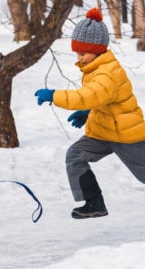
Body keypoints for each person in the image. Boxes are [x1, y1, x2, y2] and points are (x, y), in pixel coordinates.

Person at [34, 7, 145, 219]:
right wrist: (87, 111)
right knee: (75, 156)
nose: (80, 57)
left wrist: (55, 95)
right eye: (77, 52)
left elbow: (88, 95)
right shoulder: (94, 68)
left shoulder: (107, 72)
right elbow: (100, 98)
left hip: (125, 134)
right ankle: (94, 203)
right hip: (103, 133)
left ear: (98, 50)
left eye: (83, 53)